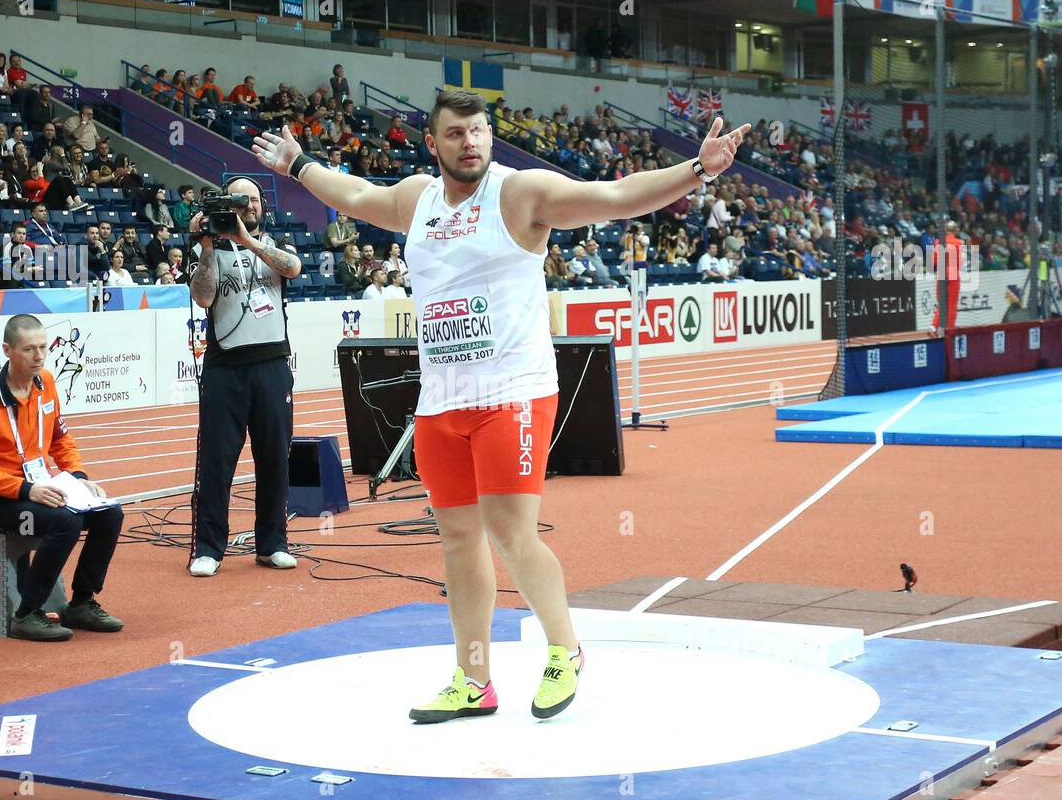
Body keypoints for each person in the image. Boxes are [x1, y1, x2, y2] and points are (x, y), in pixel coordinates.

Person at [252, 88, 749, 721]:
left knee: (513, 534)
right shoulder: (416, 199)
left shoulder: (522, 194)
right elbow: (352, 195)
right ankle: (474, 678)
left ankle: (565, 649)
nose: (471, 142)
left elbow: (616, 196)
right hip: (440, 403)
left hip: (512, 396)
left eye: (480, 130)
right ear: (433, 144)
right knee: (458, 540)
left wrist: (699, 169)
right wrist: (299, 166)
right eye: (457, 133)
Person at [0, 314, 124, 642]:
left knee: (109, 514)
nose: (39, 356)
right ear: (7, 350)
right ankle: (27, 614)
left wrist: (77, 476)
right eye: (28, 349)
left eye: (43, 347)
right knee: (65, 522)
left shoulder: (45, 382)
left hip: (38, 485)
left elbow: (60, 439)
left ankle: (81, 602)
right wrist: (25, 489)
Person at [186, 177, 303, 577]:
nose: (247, 206)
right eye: (239, 200)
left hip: (272, 366)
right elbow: (202, 297)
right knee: (217, 462)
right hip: (225, 369)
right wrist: (206, 248)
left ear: (261, 206)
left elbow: (294, 268)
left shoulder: (275, 247)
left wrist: (248, 241)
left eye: (252, 199)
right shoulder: (210, 250)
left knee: (274, 458)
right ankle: (208, 548)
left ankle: (272, 544)